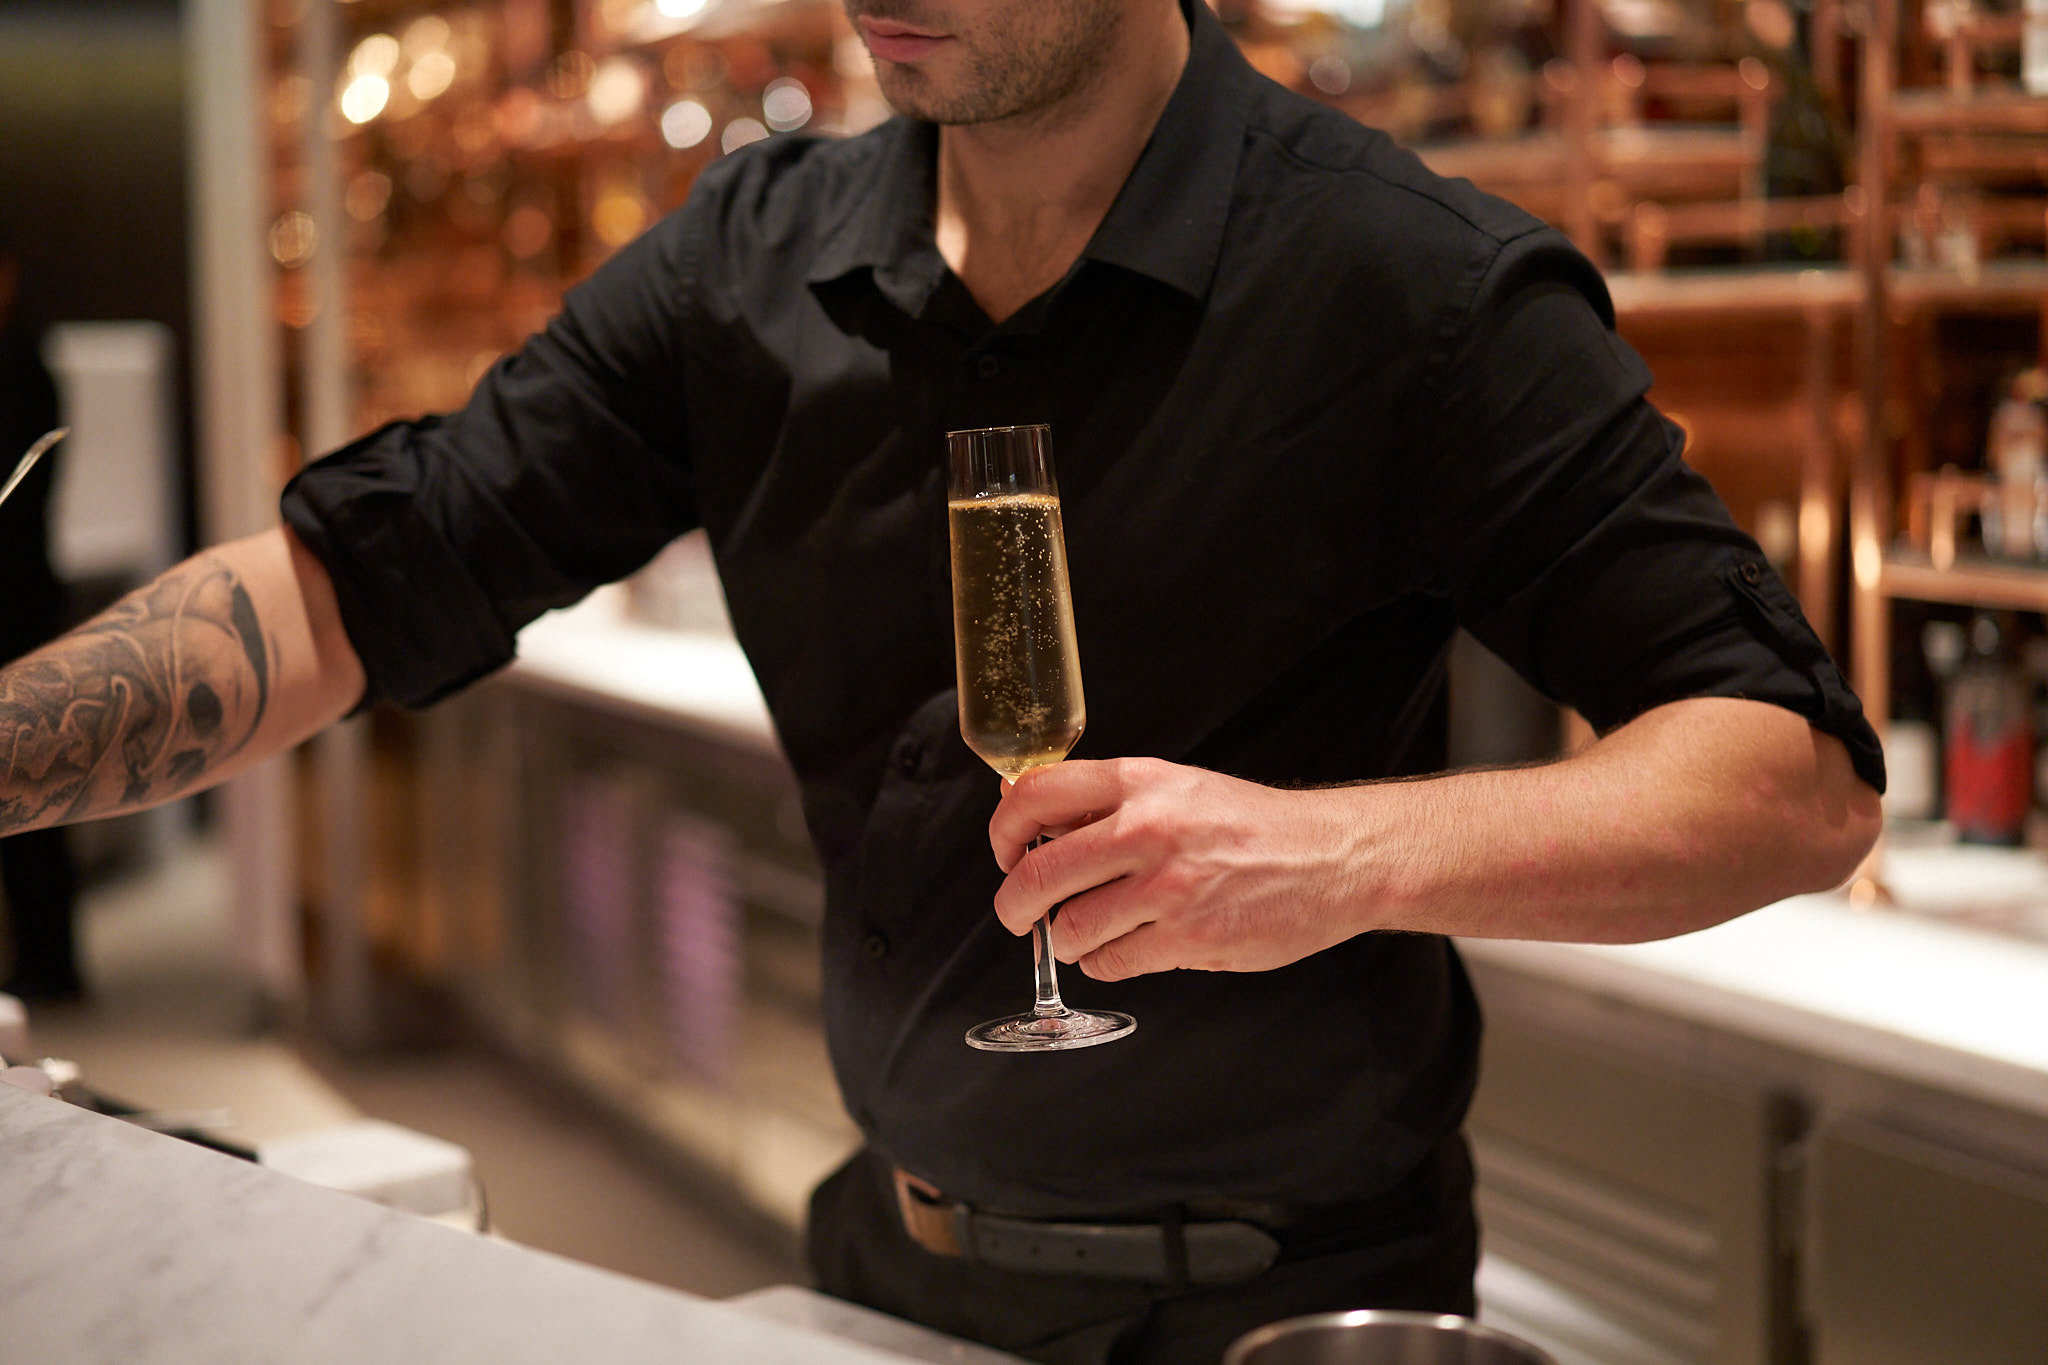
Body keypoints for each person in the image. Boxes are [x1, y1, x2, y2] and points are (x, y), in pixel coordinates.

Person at [0, 0, 1882, 1359]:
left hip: (1287, 1308)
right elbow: (363, 577)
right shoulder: (749, 271)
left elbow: (1790, 772)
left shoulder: (1408, 282)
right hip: (885, 1271)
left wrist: (1334, 857)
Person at [0, 232, 83, 1004]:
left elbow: (24, 505)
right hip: (21, 601)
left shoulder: (23, 364)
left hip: (18, 609)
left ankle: (52, 963)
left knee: (33, 788)